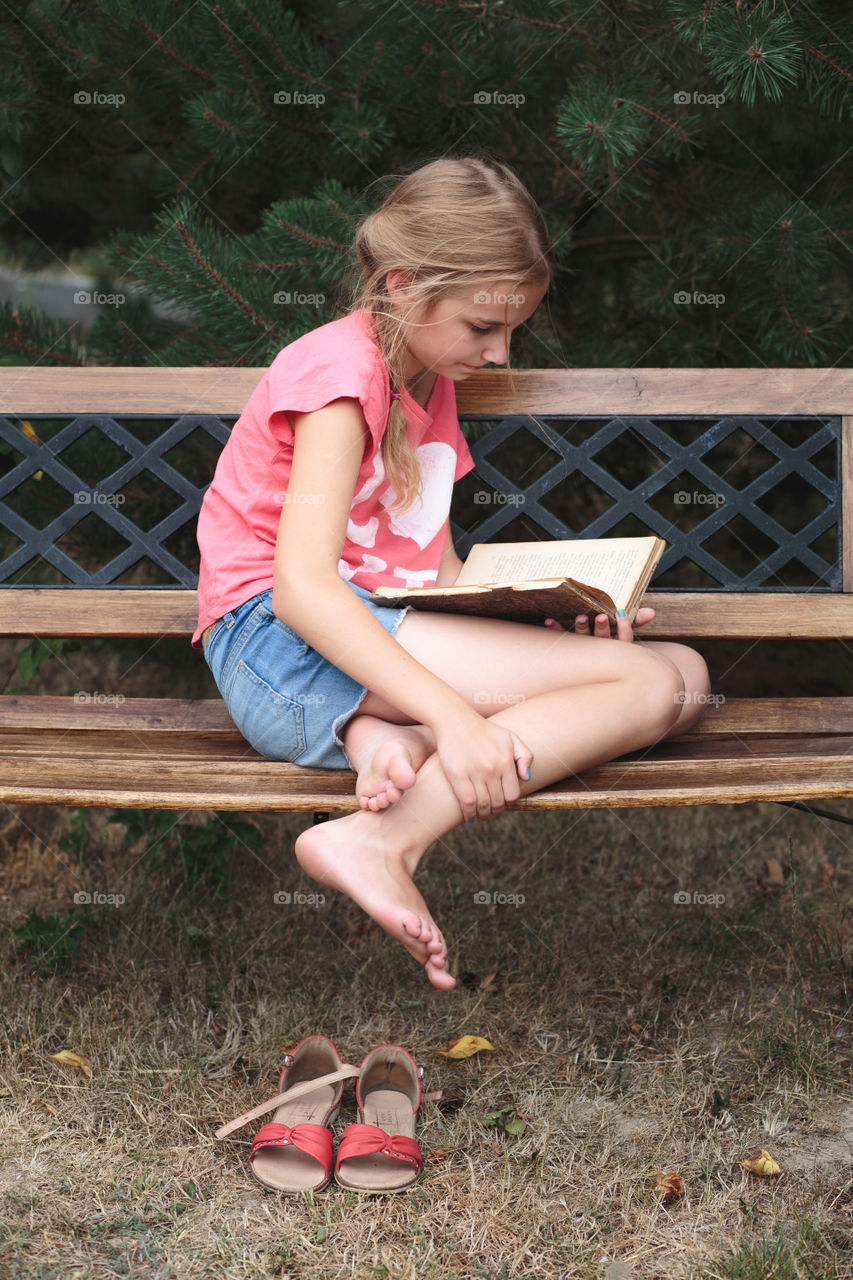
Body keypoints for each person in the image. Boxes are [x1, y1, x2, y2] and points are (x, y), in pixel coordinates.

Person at [193, 155, 712, 992]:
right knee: (644, 688)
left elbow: (433, 572)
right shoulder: (338, 375)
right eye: (481, 326)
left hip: (356, 647)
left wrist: (547, 620)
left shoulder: (423, 381)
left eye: (511, 330)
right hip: (279, 647)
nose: (500, 352)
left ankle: (384, 745)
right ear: (401, 284)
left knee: (682, 679)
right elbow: (301, 587)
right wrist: (458, 717)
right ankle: (382, 838)